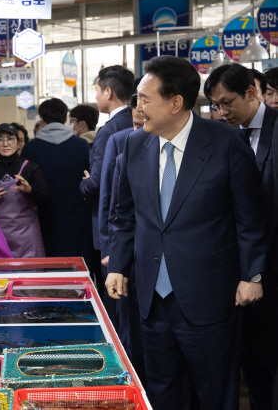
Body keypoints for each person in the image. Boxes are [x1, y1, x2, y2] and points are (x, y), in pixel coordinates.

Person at [106, 55, 267, 410]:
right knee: (163, 391)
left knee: (214, 392)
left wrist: (252, 274)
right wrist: (117, 264)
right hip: (151, 298)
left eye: (145, 99)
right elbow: (124, 215)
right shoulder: (133, 145)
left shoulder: (224, 143)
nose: (137, 107)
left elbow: (250, 217)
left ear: (176, 102)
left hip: (209, 294)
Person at [204, 63, 278, 410]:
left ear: (252, 92)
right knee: (254, 358)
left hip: (273, 263)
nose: (221, 112)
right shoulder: (224, 137)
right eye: (215, 106)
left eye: (227, 103)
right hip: (238, 269)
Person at [98, 91, 146, 386]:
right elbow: (111, 202)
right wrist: (111, 251)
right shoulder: (121, 140)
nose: (142, 111)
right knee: (130, 326)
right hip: (128, 247)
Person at [80, 66, 134, 287]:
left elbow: (98, 182)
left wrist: (85, 184)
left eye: (97, 91)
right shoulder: (138, 122)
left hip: (112, 225)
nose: (95, 97)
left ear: (108, 92)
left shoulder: (109, 131)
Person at [21, 98, 91, 261]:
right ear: (66, 118)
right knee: (78, 270)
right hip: (78, 219)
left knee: (49, 270)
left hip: (43, 220)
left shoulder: (30, 149)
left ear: (42, 119)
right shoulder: (81, 146)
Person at [0, 124, 51, 258]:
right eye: (0, 139)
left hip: (27, 240)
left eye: (10, 139)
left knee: (28, 278)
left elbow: (46, 200)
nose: (5, 143)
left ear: (18, 143)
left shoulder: (31, 168)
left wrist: (30, 191)